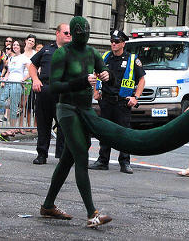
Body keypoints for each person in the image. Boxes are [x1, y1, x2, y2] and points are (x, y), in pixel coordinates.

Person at [40, 16, 112, 227]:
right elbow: (54, 86)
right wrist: (82, 81)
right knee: (81, 155)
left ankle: (48, 205)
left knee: (67, 160)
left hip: (84, 110)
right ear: (73, 33)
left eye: (86, 34)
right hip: (67, 109)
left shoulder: (91, 52)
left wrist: (107, 75)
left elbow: (105, 70)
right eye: (81, 34)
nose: (84, 37)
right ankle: (92, 213)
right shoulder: (62, 53)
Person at [88, 29, 146, 174]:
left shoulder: (132, 59)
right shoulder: (106, 57)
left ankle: (125, 162)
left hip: (122, 102)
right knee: (105, 131)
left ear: (123, 43)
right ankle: (102, 160)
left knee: (124, 133)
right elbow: (96, 74)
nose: (113, 44)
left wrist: (135, 97)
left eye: (116, 42)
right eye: (112, 41)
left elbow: (141, 80)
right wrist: (95, 91)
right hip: (106, 100)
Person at [30, 24, 71, 164]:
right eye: (66, 32)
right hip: (45, 90)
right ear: (57, 33)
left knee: (63, 125)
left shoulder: (73, 51)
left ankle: (62, 156)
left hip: (63, 92)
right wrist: (35, 79)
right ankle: (42, 154)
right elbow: (32, 65)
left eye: (70, 33)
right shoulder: (47, 49)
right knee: (43, 124)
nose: (69, 35)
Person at [0, 40, 30, 137]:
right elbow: (8, 72)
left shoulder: (24, 58)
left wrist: (23, 79)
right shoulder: (11, 58)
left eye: (17, 45)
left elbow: (31, 70)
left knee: (14, 108)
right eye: (14, 45)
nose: (15, 46)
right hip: (9, 83)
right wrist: (4, 80)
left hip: (17, 84)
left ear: (21, 47)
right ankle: (14, 109)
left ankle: (11, 129)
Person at [19, 34, 37, 135]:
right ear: (26, 41)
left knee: (32, 105)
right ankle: (21, 125)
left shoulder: (35, 53)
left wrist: (26, 79)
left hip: (31, 80)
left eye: (32, 42)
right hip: (19, 81)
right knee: (22, 105)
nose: (30, 43)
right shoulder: (21, 53)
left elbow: (35, 68)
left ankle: (32, 126)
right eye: (29, 40)